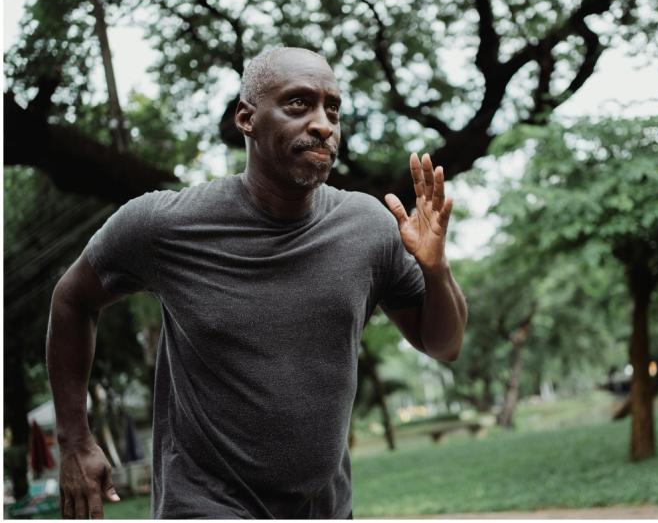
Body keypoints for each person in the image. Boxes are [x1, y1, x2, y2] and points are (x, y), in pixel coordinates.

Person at [46, 46, 467, 519]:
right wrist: (75, 440)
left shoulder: (368, 227)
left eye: (333, 109)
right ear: (246, 118)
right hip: (204, 505)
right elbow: (72, 299)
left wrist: (436, 269)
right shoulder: (164, 225)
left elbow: (443, 344)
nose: (323, 124)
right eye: (298, 104)